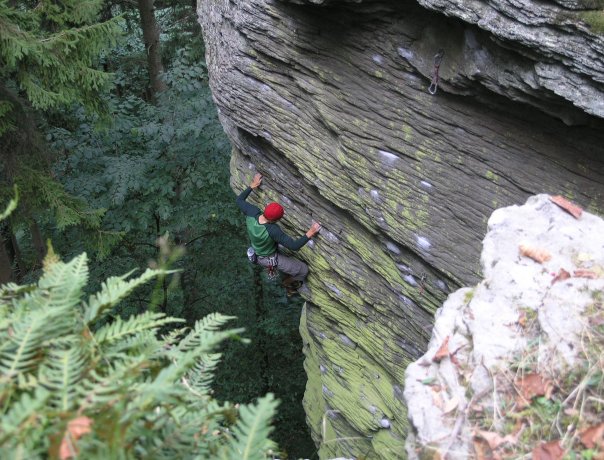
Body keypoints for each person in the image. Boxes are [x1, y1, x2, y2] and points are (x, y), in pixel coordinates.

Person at [236, 173, 321, 295]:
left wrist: (252, 185)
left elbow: (239, 200)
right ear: (275, 221)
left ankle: (287, 273)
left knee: (285, 258)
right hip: (267, 258)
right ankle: (287, 283)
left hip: (260, 250)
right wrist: (311, 232)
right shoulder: (272, 230)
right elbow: (294, 246)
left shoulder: (252, 212)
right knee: (303, 270)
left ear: (265, 209)